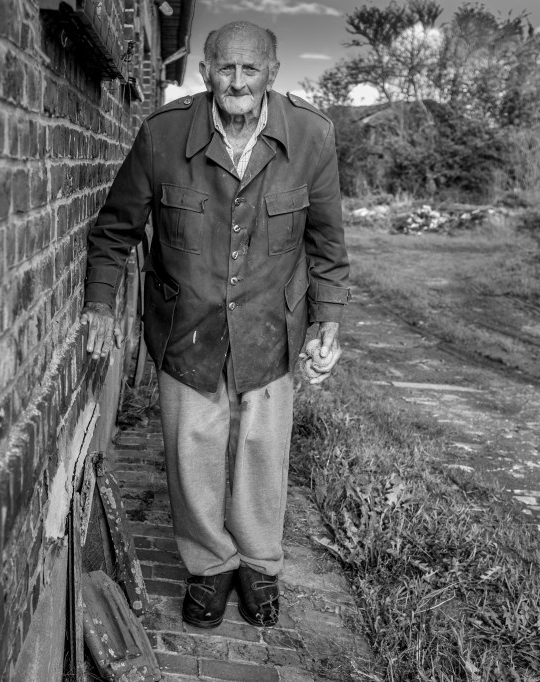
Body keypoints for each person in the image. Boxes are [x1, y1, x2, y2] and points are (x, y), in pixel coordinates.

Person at [81, 21, 351, 628]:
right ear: (205, 73)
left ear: (272, 73)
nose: (237, 81)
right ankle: (209, 565)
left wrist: (327, 321)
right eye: (225, 68)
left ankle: (258, 564)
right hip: (187, 325)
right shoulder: (162, 134)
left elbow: (328, 243)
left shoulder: (311, 135)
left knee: (262, 450)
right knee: (191, 449)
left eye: (250, 69)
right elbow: (115, 231)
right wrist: (99, 302)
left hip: (271, 324)